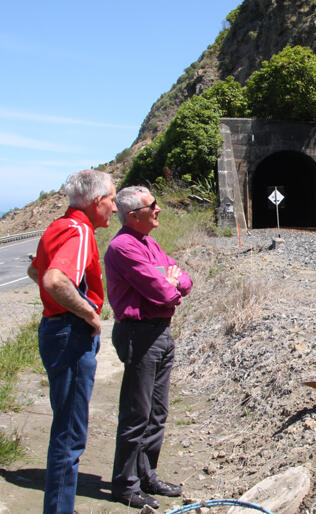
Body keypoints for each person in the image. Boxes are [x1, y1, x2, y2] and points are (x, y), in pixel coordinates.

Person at [27, 169, 117, 514]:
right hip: (70, 334)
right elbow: (53, 279)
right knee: (70, 434)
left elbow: (35, 271)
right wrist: (89, 315)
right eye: (111, 200)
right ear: (97, 202)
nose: (113, 207)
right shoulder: (80, 231)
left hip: (53, 329)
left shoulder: (57, 226)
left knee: (64, 425)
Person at [105, 186, 193, 509]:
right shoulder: (123, 248)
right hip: (139, 334)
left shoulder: (149, 243)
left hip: (161, 332)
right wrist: (167, 280)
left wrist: (170, 279)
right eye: (152, 206)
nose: (158, 210)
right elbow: (163, 291)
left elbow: (185, 280)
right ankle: (124, 484)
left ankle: (147, 474)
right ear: (133, 216)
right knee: (136, 413)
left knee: (158, 411)